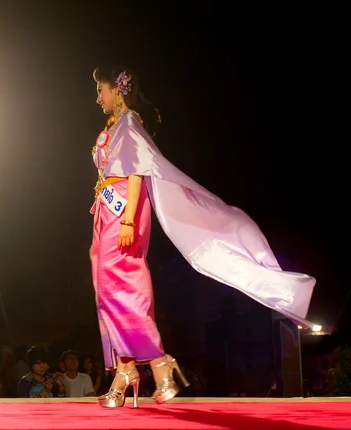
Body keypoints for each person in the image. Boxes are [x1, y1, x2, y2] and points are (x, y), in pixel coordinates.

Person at [89, 65, 316, 408]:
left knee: (126, 281)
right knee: (107, 286)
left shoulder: (129, 121)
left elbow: (135, 170)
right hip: (106, 209)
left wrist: (128, 221)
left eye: (101, 90)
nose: (98, 97)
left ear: (117, 91)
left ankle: (157, 363)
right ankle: (125, 369)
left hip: (124, 210)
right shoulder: (115, 125)